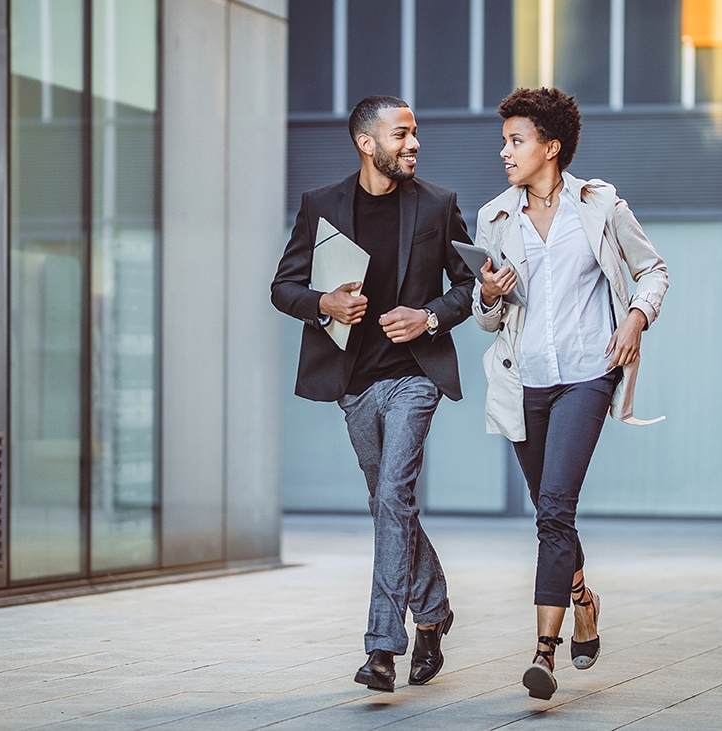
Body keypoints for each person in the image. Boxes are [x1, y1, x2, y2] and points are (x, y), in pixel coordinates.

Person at [271, 95, 475, 692]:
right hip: (354, 384)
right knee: (390, 506)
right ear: (368, 143)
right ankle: (434, 613)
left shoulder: (439, 205)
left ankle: (384, 647)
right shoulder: (321, 206)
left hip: (415, 377)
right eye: (402, 135)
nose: (413, 145)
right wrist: (324, 304)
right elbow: (283, 288)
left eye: (416, 135)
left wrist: (430, 319)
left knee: (392, 496)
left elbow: (468, 287)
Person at [471, 87, 668, 701]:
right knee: (548, 511)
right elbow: (486, 319)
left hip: (588, 372)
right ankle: (583, 600)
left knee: (555, 506)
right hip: (524, 380)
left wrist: (635, 319)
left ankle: (542, 654)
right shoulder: (495, 218)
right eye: (505, 141)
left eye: (516, 140)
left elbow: (653, 270)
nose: (504, 151)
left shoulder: (600, 204)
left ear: (550, 148)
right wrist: (490, 294)